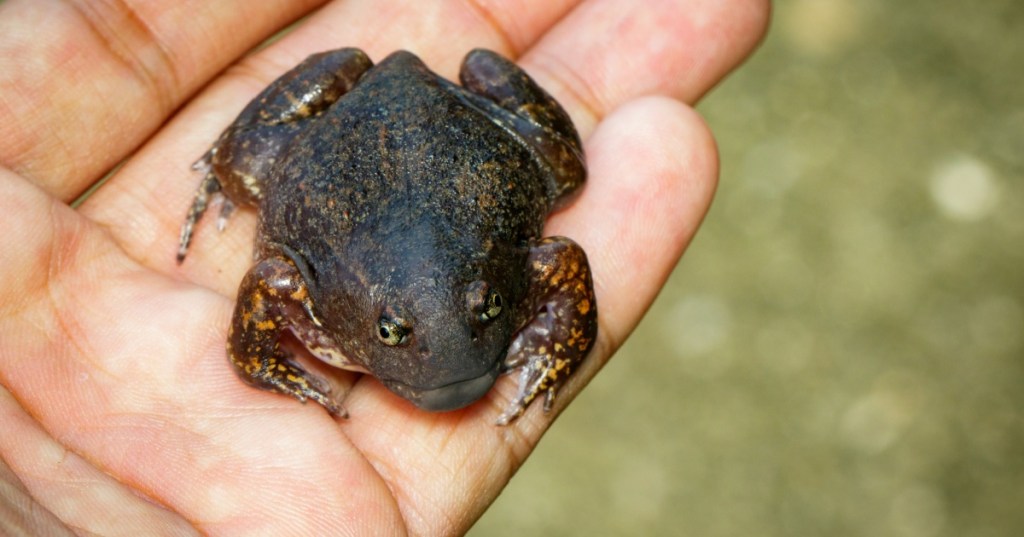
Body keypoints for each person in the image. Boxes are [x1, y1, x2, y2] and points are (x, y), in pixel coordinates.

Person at [0, 0, 769, 534]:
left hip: (466, 133)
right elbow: (264, 290)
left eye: (480, 313)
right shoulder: (308, 295)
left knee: (566, 169)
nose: (450, 357)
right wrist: (262, 358)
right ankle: (222, 160)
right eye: (397, 332)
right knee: (246, 166)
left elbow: (559, 259)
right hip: (347, 130)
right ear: (369, 323)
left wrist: (554, 341)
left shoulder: (524, 272)